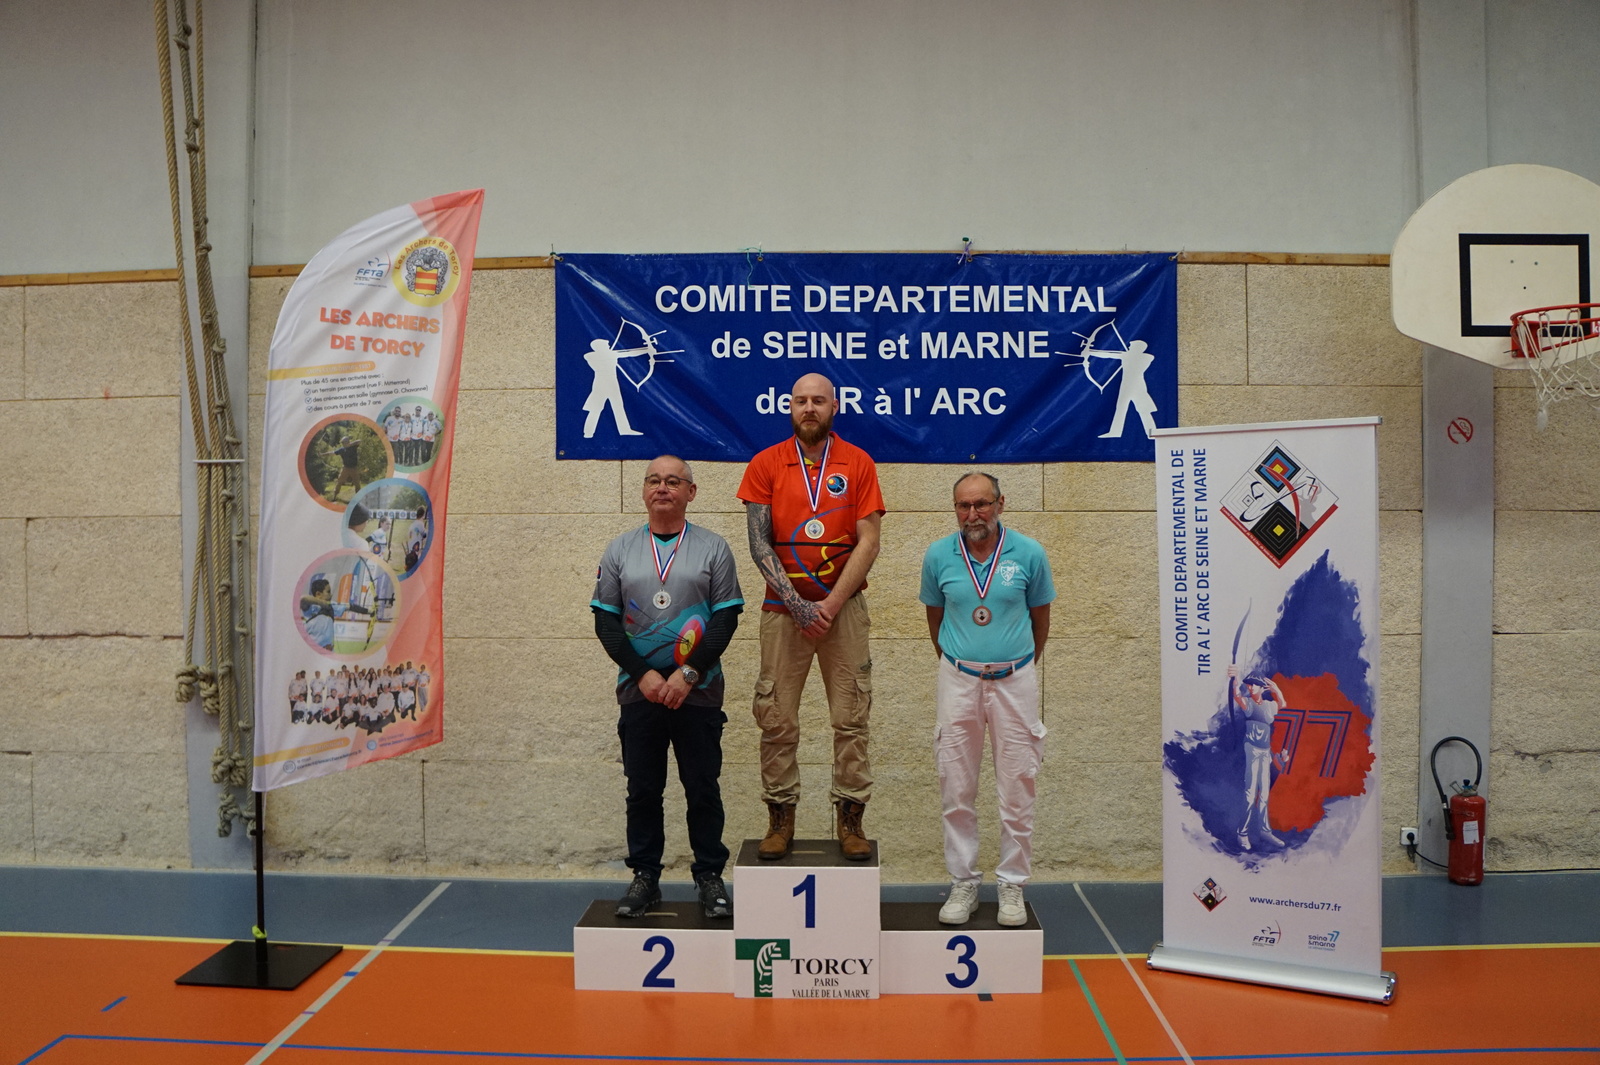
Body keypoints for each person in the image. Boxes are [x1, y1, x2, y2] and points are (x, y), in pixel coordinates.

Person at [738, 373, 884, 861]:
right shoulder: (765, 463)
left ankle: (851, 820)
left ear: (834, 407)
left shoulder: (858, 463)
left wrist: (830, 605)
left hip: (845, 611)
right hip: (783, 613)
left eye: (818, 400)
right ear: (790, 407)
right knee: (776, 717)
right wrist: (799, 605)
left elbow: (869, 541)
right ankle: (780, 818)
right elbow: (759, 542)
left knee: (851, 718)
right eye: (801, 400)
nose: (809, 408)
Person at [591, 455, 743, 919]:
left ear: (690, 493)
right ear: (643, 491)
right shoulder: (619, 550)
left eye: (673, 481)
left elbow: (725, 619)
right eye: (654, 480)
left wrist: (688, 674)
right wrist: (644, 674)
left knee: (702, 788)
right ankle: (645, 877)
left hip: (699, 692)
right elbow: (606, 623)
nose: (662, 487)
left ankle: (710, 877)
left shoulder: (713, 548)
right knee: (642, 790)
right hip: (640, 693)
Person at [919, 472, 1054, 927]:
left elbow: (1040, 619)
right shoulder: (939, 555)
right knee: (956, 785)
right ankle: (964, 882)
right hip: (958, 679)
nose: (972, 514)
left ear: (1000, 503)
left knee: (1018, 785)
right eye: (964, 506)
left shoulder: (1029, 553)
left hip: (1015, 679)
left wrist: (1015, 664)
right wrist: (961, 662)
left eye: (981, 504)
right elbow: (935, 617)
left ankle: (1012, 884)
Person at [1227, 664, 1289, 851]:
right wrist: (1235, 679)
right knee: (1250, 793)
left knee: (1264, 793)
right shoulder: (1248, 704)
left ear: (1263, 688)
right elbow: (1236, 695)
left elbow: (1282, 704)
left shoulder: (1269, 706)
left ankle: (1265, 831)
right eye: (1249, 684)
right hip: (1252, 750)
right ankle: (1242, 833)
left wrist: (1277, 690)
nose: (1251, 687)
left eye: (1254, 684)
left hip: (1265, 751)